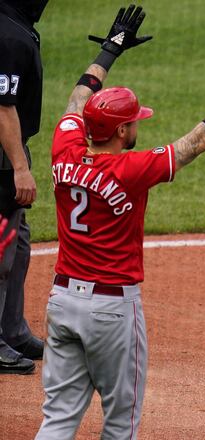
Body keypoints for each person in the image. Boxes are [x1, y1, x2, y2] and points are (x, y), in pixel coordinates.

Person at [35, 4, 205, 438]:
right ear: (124, 132)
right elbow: (197, 140)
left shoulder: (65, 147)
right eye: (134, 122)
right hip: (110, 309)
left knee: (57, 418)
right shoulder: (130, 170)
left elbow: (77, 98)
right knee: (120, 420)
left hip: (62, 299)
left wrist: (109, 50)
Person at [0, 0, 49, 375]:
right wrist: (19, 167)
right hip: (4, 153)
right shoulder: (8, 35)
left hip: (11, 147)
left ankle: (12, 329)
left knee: (19, 242)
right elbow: (2, 107)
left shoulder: (14, 24)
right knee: (2, 248)